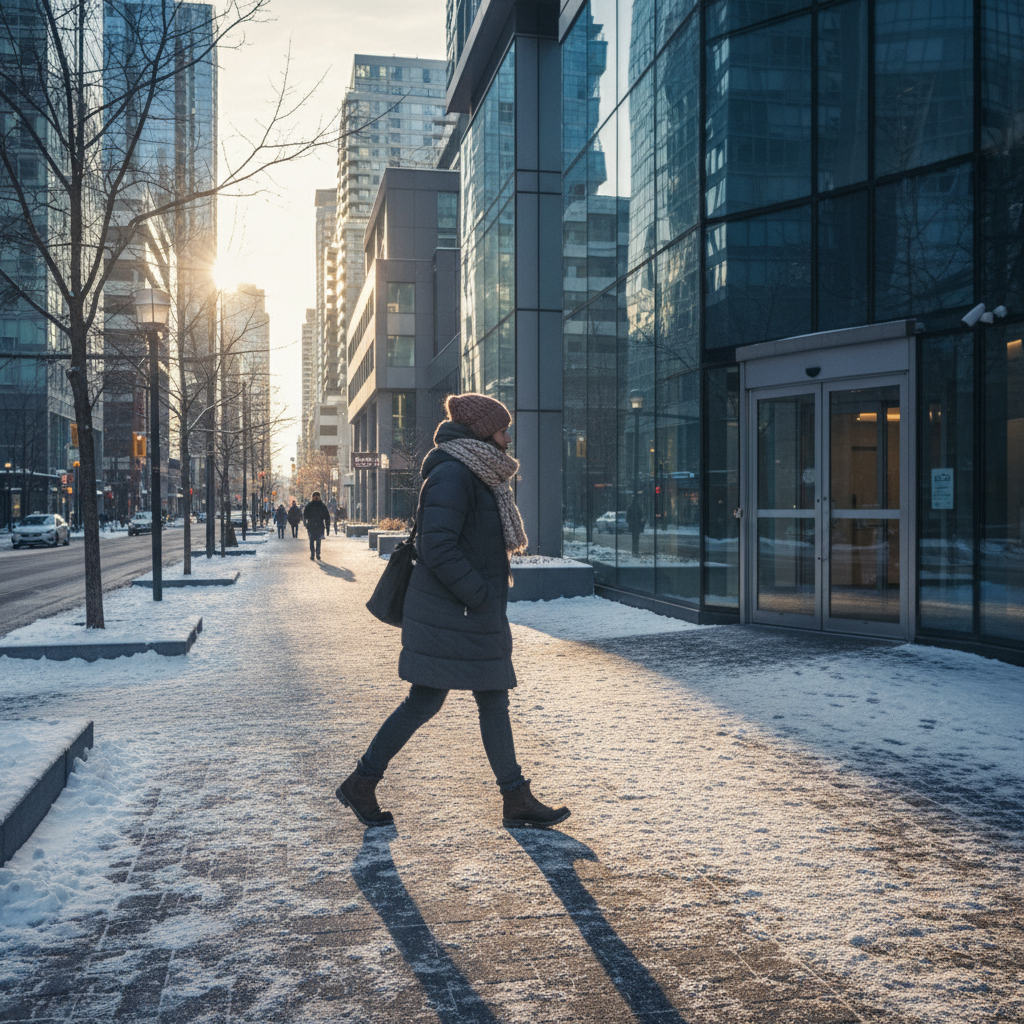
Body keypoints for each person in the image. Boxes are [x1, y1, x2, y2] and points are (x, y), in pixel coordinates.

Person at [336, 393, 570, 831]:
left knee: (482, 698)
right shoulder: (454, 475)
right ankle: (364, 782)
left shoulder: (474, 473)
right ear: (483, 432)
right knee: (432, 701)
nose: (507, 438)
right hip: (455, 613)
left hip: (461, 613)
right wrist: (479, 594)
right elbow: (437, 546)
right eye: (502, 430)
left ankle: (512, 796)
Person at [303, 490, 331, 561]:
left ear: (319, 497)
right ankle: (312, 553)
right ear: (312, 497)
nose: (316, 498)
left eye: (317, 497)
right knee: (311, 540)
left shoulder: (322, 506)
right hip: (311, 525)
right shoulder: (309, 506)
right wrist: (305, 524)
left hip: (319, 526)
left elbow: (327, 517)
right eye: (314, 497)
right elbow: (304, 515)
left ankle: (317, 553)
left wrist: (327, 526)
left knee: (318, 540)